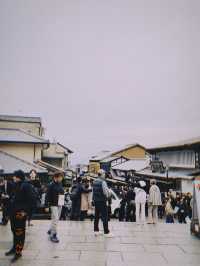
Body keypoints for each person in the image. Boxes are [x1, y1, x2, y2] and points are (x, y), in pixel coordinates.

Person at [5, 170, 36, 263]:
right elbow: (13, 198)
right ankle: (14, 248)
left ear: (18, 177)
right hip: (13, 213)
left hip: (20, 214)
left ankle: (18, 252)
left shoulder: (26, 185)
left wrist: (25, 212)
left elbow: (32, 200)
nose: (13, 177)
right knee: (14, 231)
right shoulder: (16, 185)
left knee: (19, 234)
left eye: (14, 176)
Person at [92, 169, 113, 237]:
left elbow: (93, 192)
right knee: (104, 216)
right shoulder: (103, 182)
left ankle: (96, 231)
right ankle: (106, 232)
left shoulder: (94, 181)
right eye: (104, 174)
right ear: (101, 174)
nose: (105, 175)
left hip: (96, 201)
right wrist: (109, 193)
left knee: (96, 216)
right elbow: (105, 193)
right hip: (102, 201)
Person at [45, 171, 64, 243]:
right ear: (56, 177)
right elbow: (47, 196)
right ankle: (53, 235)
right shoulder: (51, 185)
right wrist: (46, 206)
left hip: (60, 203)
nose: (61, 178)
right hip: (53, 204)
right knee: (55, 219)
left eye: (62, 177)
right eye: (60, 177)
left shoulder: (60, 184)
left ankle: (50, 230)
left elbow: (61, 192)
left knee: (55, 218)